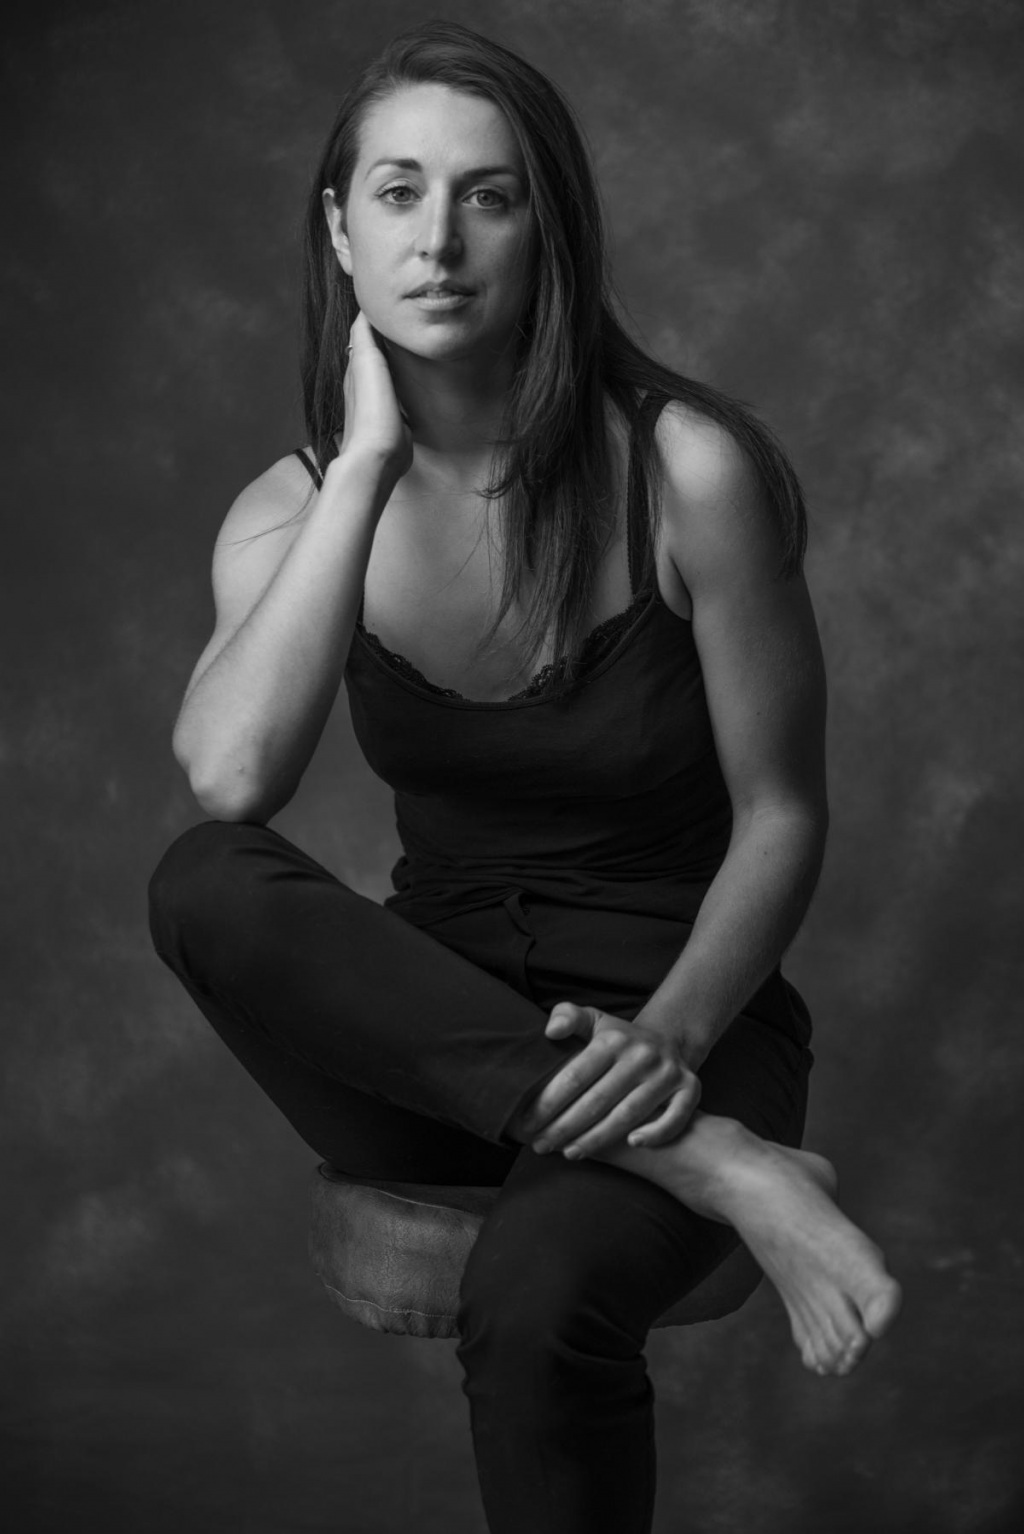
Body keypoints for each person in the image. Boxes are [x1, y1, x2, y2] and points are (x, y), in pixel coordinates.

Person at [148, 19, 901, 1534]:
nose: (439, 241)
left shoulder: (685, 470)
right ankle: (722, 1169)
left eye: (488, 197)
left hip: (679, 1021)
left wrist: (670, 1047)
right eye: (399, 193)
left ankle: (686, 1129)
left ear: (546, 229)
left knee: (539, 1290)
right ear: (341, 231)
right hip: (432, 1048)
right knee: (202, 879)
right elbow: (230, 780)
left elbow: (784, 812)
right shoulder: (293, 511)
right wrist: (364, 468)